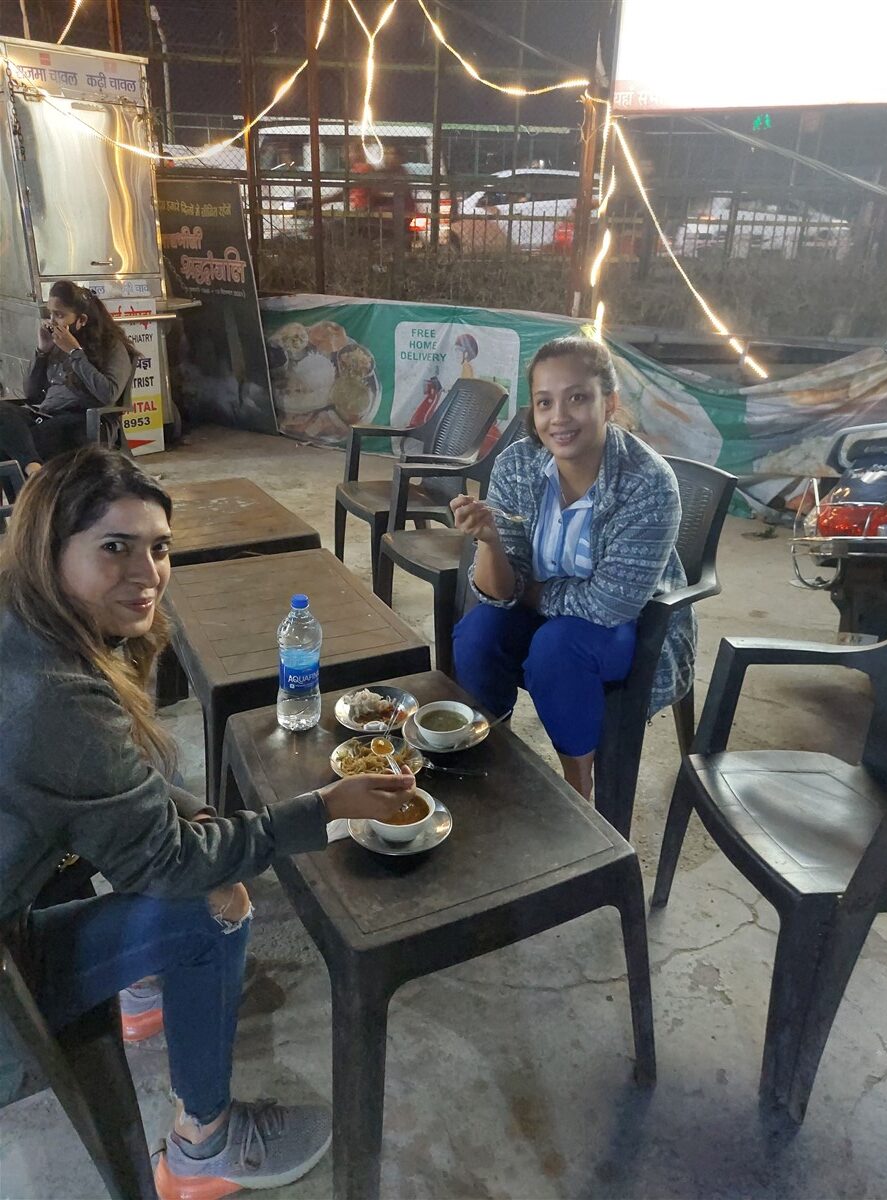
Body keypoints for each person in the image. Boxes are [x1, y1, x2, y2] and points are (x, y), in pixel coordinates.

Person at [0, 446, 416, 1197]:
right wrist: (320, 808)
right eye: (114, 548)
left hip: (21, 895)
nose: (148, 573)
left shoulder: (22, 623)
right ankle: (204, 1143)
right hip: (9, 996)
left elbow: (108, 780)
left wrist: (194, 815)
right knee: (210, 906)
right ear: (47, 548)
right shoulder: (53, 696)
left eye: (159, 548)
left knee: (187, 831)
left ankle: (136, 988)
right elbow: (174, 864)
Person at [451, 336, 696, 800]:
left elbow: (610, 605)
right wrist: (491, 541)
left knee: (556, 648)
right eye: (545, 403)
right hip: (551, 614)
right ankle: (490, 751)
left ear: (609, 404)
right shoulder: (519, 464)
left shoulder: (648, 483)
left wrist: (531, 592)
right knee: (477, 632)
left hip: (631, 627)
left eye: (577, 398)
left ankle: (579, 792)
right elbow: (496, 594)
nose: (558, 417)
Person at [0, 281, 135, 477]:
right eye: (51, 314)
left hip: (81, 421)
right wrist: (42, 352)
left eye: (60, 315)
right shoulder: (55, 345)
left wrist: (75, 352)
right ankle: (32, 469)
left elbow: (108, 394)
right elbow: (32, 394)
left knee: (12, 445)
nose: (52, 321)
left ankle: (31, 483)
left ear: (81, 320)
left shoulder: (111, 347)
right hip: (45, 416)